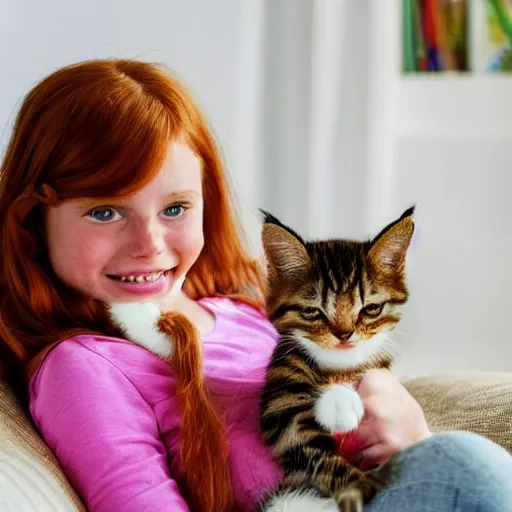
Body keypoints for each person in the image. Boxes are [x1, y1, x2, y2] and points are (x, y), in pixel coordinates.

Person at [0, 59, 510, 512]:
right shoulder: (83, 366)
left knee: (453, 461)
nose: (149, 244)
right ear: (34, 221)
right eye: (104, 211)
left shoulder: (245, 315)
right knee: (461, 465)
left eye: (175, 208)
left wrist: (408, 430)